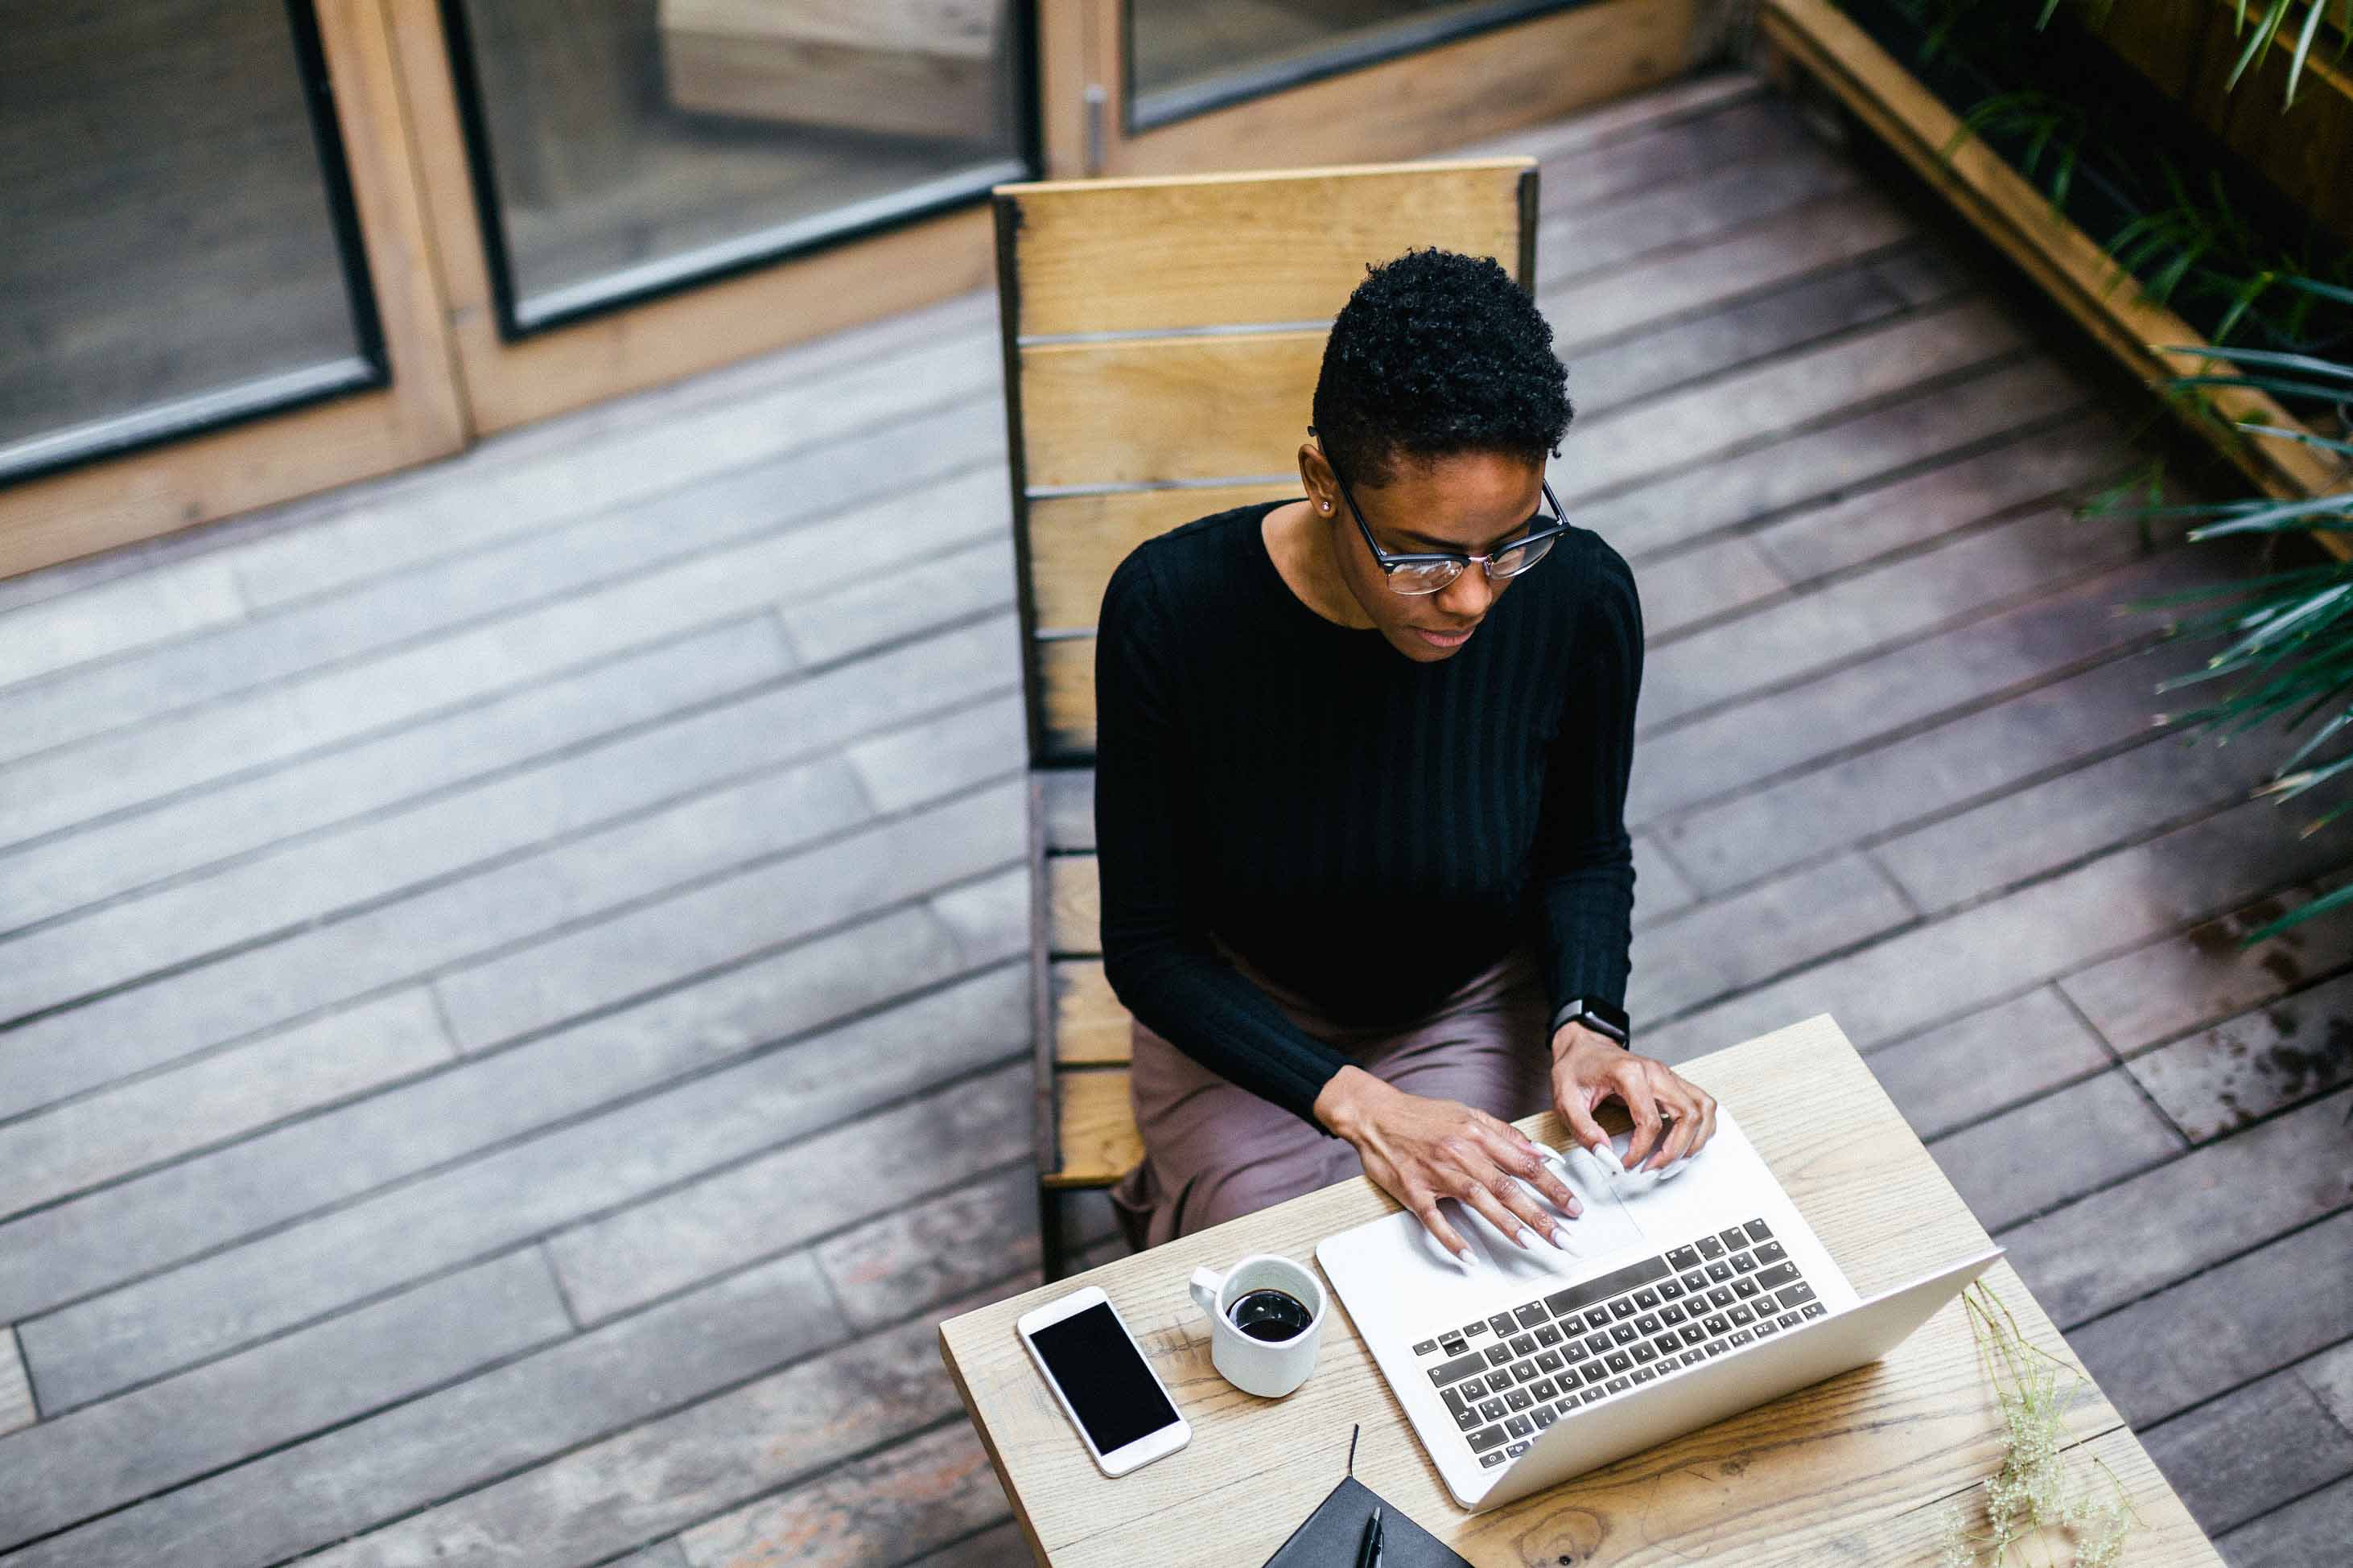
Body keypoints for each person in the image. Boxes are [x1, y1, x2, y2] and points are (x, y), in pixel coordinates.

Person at [1097, 246, 1719, 1261]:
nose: (1472, 596)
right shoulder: (1171, 611)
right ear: (1320, 481)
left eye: (1511, 541)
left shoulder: (1580, 597)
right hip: (1245, 1021)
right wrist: (1359, 1104)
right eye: (1421, 554)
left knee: (1478, 1255)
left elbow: (1581, 853)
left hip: (1468, 997)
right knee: (1285, 1278)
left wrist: (1585, 1024)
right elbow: (1149, 947)